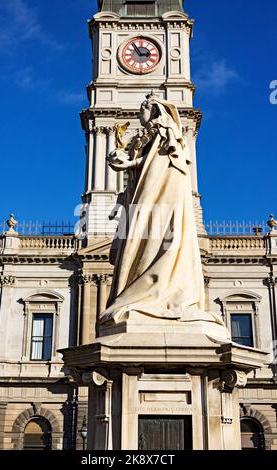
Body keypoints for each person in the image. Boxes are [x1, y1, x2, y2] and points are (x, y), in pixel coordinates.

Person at [100, 93, 224, 327]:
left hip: (160, 199)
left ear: (153, 110)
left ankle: (155, 297)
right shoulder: (152, 135)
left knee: (156, 242)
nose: (139, 116)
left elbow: (160, 162)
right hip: (145, 200)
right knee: (141, 244)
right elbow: (149, 164)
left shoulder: (165, 131)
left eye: (142, 111)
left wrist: (129, 164)